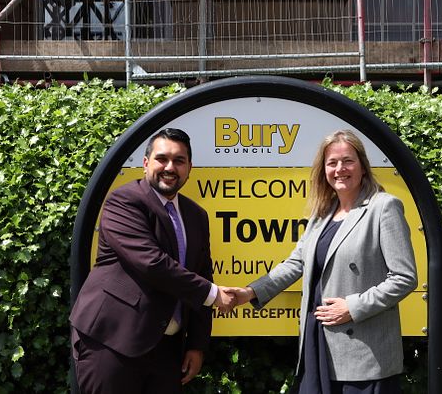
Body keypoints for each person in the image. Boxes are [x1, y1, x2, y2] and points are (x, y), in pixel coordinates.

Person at [230, 129, 418, 394]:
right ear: (324, 170)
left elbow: (404, 277)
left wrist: (353, 307)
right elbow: (296, 263)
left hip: (364, 351)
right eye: (332, 163)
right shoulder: (322, 215)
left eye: (347, 161)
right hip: (318, 343)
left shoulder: (384, 207)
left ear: (363, 166)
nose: (340, 169)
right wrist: (249, 292)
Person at [69, 128, 235, 394]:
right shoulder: (124, 201)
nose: (170, 167)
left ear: (190, 168)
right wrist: (213, 294)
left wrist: (197, 345)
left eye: (179, 161)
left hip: (167, 349)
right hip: (112, 340)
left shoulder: (196, 215)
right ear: (146, 163)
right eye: (162, 159)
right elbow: (151, 263)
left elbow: (203, 273)